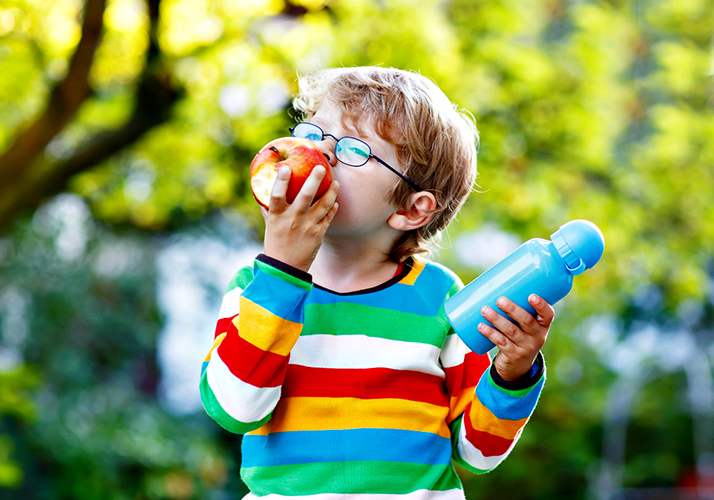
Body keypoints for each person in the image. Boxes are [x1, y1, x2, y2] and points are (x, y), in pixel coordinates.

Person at [200, 66, 554, 499]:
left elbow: (477, 453)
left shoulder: (439, 298)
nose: (321, 154)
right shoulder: (256, 288)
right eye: (314, 134)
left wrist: (512, 373)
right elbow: (235, 409)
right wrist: (282, 270)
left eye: (353, 150)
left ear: (411, 209)